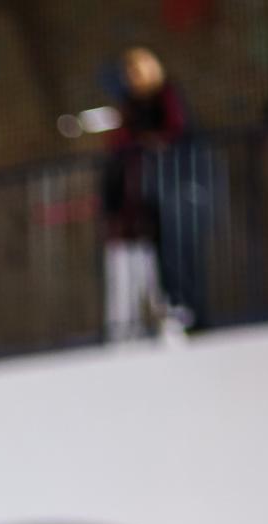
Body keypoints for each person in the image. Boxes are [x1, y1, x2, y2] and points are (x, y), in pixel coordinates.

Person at [101, 47, 206, 338]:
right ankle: (165, 309)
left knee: (178, 247)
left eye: (138, 70)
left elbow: (177, 130)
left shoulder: (167, 96)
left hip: (175, 183)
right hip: (145, 192)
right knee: (154, 250)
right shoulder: (129, 106)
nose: (133, 78)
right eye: (129, 73)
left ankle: (187, 306)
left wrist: (151, 141)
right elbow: (120, 143)